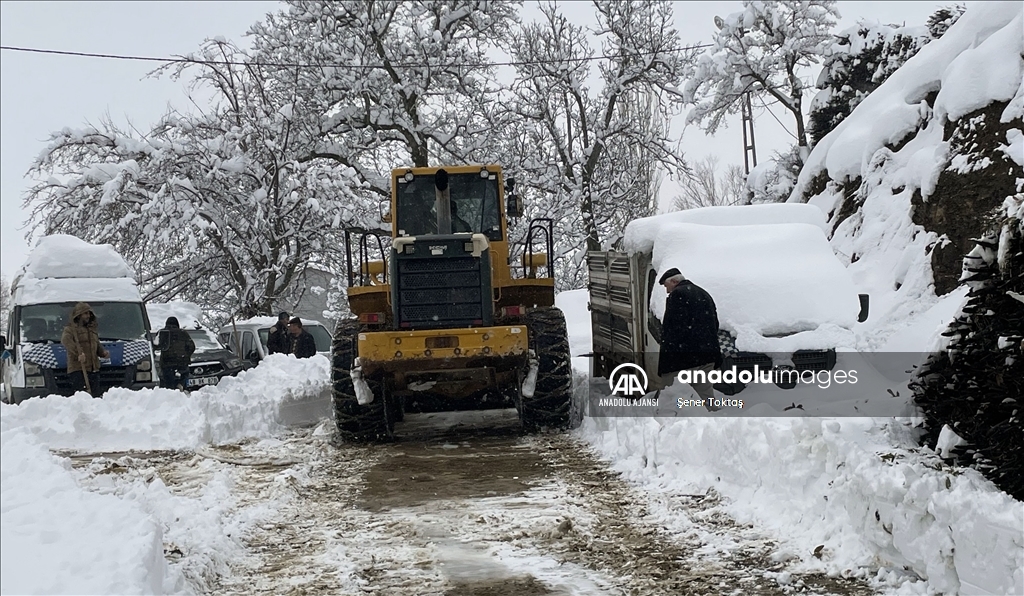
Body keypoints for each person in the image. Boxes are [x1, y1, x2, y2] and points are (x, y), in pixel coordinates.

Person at [656, 268, 723, 404]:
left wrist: (667, 361)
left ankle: (672, 423)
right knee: (704, 396)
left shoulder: (677, 295)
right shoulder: (704, 294)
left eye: (666, 286)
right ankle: (709, 422)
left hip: (683, 359)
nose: (667, 291)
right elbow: (714, 324)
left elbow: (672, 329)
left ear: (674, 281)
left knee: (672, 396)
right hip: (707, 356)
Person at [61, 302, 109, 396]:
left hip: (93, 369)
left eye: (89, 313)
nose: (88, 316)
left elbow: (96, 344)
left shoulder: (91, 330)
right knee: (81, 396)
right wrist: (78, 353)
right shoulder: (71, 329)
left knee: (95, 396)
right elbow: (66, 341)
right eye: (85, 313)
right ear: (79, 315)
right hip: (78, 369)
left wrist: (102, 353)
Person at [157, 317, 195, 390]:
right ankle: (180, 384)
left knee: (169, 383)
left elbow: (156, 345)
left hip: (167, 362)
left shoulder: (162, 332)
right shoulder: (183, 333)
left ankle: (171, 392)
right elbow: (192, 346)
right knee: (185, 374)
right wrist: (186, 355)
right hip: (182, 362)